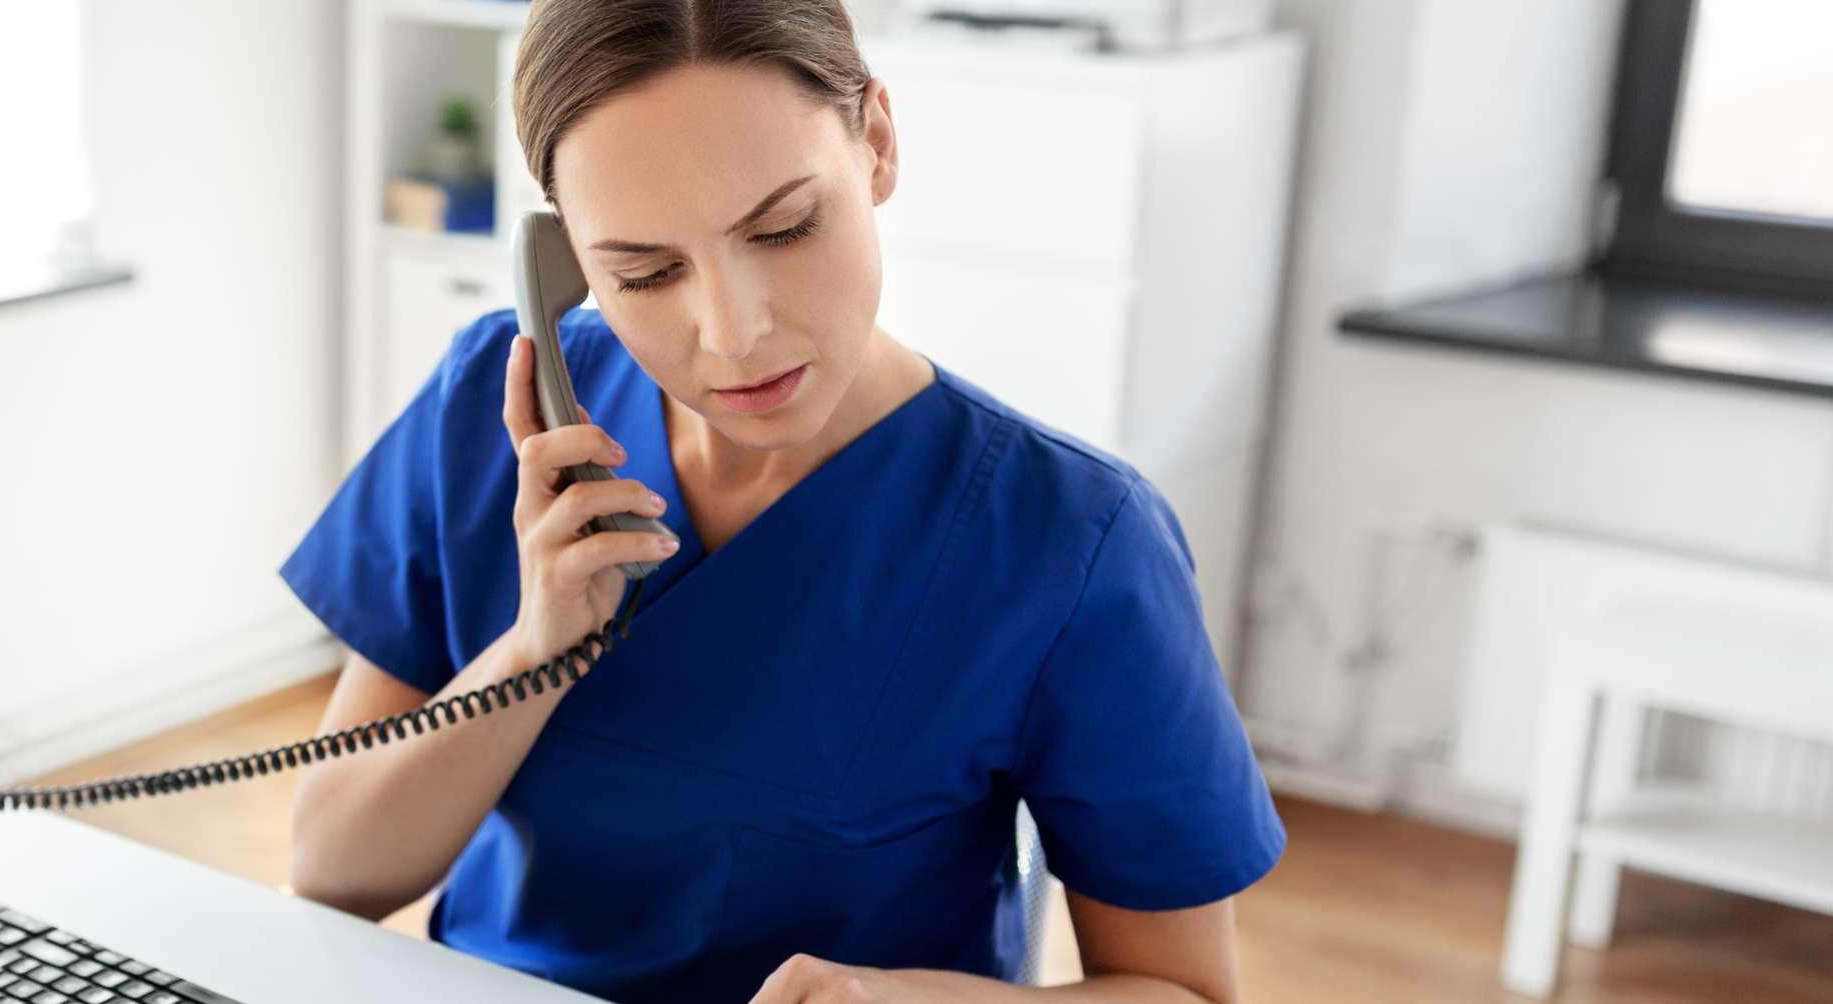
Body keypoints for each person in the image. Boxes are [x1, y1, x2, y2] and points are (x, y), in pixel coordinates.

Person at [278, 1, 1283, 1001]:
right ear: (566, 263)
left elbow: (1182, 990)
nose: (732, 332)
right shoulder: (486, 417)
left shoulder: (1073, 542)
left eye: (784, 227)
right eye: (646, 271)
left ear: (877, 144)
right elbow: (331, 868)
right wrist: (532, 653)